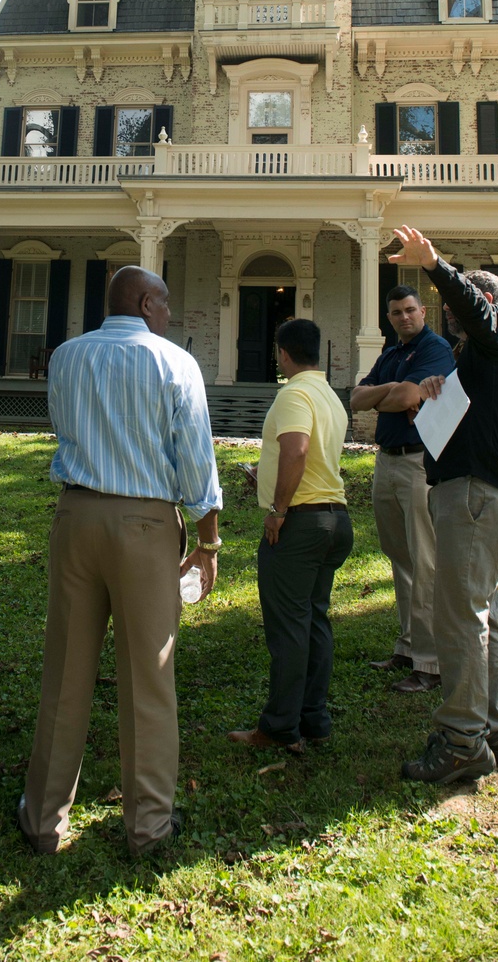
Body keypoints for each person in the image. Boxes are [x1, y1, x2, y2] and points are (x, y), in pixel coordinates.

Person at [18, 266, 222, 858]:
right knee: (148, 676)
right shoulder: (173, 362)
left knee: (65, 671)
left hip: (76, 516)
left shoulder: (67, 358)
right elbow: (197, 462)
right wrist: (207, 544)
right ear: (143, 302)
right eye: (163, 303)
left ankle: (42, 820)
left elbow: (64, 428)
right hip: (144, 523)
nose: (168, 314)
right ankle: (149, 827)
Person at [388, 227, 498, 785]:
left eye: (456, 312)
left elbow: (475, 309)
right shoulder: (488, 359)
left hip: (477, 499)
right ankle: (491, 728)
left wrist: (435, 266)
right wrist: (437, 391)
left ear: (487, 305)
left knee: (460, 615)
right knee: (483, 614)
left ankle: (461, 740)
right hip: (483, 497)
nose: (452, 321)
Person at [228, 319, 352, 753]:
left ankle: (281, 727)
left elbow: (297, 449)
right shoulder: (330, 396)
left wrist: (277, 512)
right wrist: (266, 477)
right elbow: (310, 456)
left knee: (289, 630)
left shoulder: (293, 392)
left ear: (282, 353)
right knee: (315, 621)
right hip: (335, 520)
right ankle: (314, 719)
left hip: (302, 524)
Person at [351, 285, 455, 693]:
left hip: (417, 462)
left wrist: (391, 395)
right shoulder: (391, 354)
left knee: (424, 559)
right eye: (396, 313)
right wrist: (387, 396)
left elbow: (411, 394)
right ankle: (409, 646)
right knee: (400, 557)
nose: (403, 317)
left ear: (423, 311)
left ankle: (430, 664)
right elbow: (357, 398)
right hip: (386, 459)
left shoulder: (435, 349)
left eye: (410, 310)